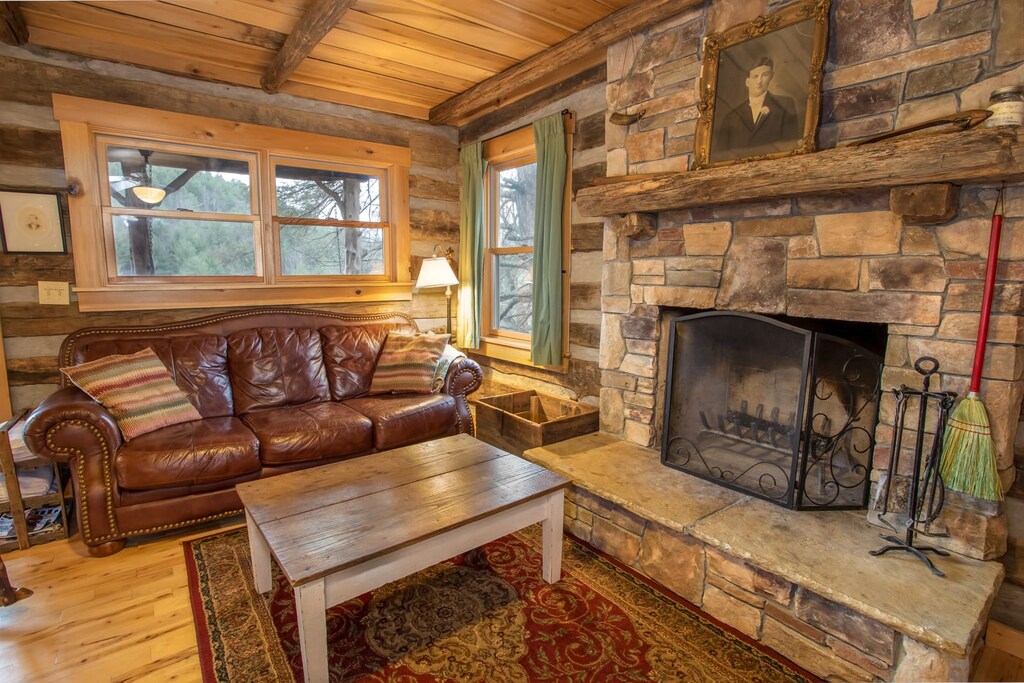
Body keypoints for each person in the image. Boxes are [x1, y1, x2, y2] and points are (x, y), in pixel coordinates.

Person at [713, 56, 800, 161]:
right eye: (755, 76)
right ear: (747, 81)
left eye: (765, 75)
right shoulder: (731, 117)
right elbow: (719, 157)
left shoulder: (785, 104)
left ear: (771, 77)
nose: (759, 81)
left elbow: (792, 145)